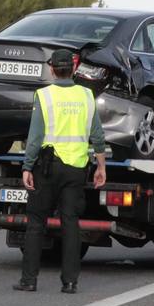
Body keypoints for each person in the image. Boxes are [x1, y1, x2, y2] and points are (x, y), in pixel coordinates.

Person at [17, 49, 107, 293]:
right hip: (76, 168)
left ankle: (29, 280)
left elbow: (35, 136)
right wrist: (101, 166)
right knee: (70, 223)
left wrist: (27, 166)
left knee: (36, 222)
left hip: (48, 167)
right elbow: (98, 135)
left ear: (52, 69)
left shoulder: (44, 95)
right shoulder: (86, 95)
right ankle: (70, 282)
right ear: (74, 69)